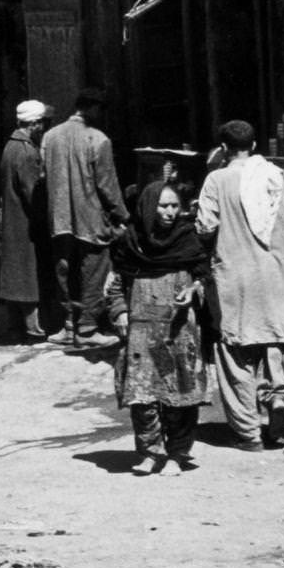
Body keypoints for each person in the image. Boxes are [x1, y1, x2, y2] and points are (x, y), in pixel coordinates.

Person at [195, 120, 284, 451]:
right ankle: (279, 401)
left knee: (236, 352)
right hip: (275, 273)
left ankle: (248, 433)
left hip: (234, 277)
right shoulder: (274, 175)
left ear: (223, 147)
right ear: (253, 144)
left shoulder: (216, 179)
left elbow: (206, 226)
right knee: (277, 342)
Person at [105, 183, 211, 474]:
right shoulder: (130, 243)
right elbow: (114, 285)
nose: (169, 212)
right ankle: (150, 452)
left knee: (179, 394)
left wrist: (193, 290)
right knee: (142, 394)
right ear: (148, 207)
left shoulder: (187, 239)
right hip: (141, 329)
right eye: (163, 206)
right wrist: (120, 312)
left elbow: (203, 276)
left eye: (175, 206)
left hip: (178, 330)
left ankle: (177, 454)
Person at [42, 87, 127, 350]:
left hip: (59, 219)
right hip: (90, 220)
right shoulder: (98, 139)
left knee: (64, 272)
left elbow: (43, 178)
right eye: (101, 110)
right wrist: (123, 215)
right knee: (93, 272)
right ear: (92, 109)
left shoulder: (50, 136)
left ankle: (68, 326)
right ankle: (88, 329)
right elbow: (107, 185)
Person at [0, 100, 51, 339]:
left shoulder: (10, 147)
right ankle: (33, 329)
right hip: (26, 222)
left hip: (13, 219)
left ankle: (13, 328)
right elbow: (33, 194)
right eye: (43, 123)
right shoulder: (26, 152)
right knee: (28, 276)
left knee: (15, 274)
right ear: (35, 124)